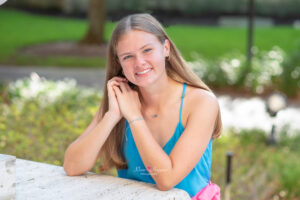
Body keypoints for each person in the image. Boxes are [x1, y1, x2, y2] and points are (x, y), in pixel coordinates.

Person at [63, 13, 222, 199]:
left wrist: (134, 117)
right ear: (119, 63)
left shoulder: (201, 102)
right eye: (128, 56)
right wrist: (112, 115)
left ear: (166, 48)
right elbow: (73, 166)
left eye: (147, 50)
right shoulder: (121, 100)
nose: (139, 63)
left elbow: (166, 179)